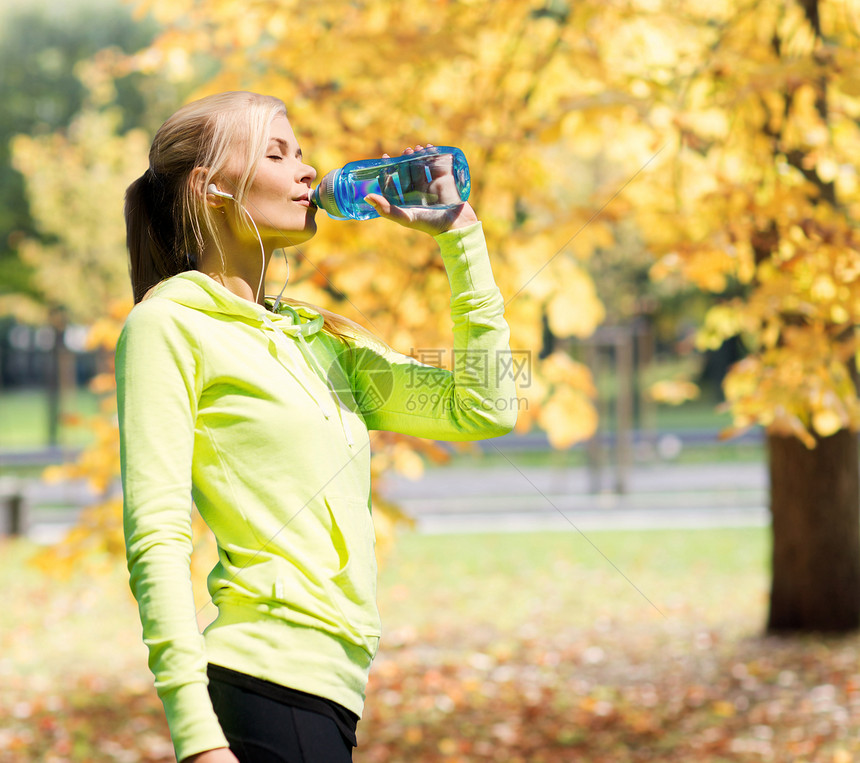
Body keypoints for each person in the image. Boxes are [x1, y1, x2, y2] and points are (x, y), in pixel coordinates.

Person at [117, 90, 517, 763]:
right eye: (277, 153)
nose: (307, 171)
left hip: (329, 693)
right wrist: (197, 737)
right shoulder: (169, 325)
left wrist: (461, 237)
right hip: (264, 686)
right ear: (209, 187)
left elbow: (484, 406)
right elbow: (156, 536)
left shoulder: (315, 336)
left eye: (301, 153)